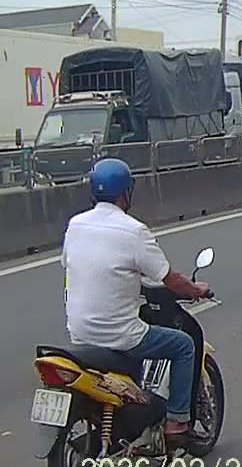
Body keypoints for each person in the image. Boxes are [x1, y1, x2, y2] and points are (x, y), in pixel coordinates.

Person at [61, 158, 209, 441]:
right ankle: (177, 423)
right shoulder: (134, 231)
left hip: (79, 334)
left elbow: (80, 265)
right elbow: (169, 279)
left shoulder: (75, 224)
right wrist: (195, 290)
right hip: (120, 336)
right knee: (184, 346)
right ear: (126, 193)